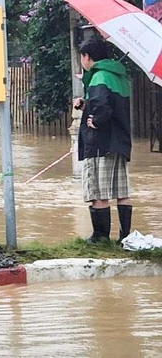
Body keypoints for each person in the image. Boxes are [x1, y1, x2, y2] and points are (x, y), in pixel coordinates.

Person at [74, 35, 133, 243]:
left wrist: (95, 121)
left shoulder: (99, 77)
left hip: (100, 143)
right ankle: (125, 237)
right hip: (120, 141)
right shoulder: (119, 76)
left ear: (86, 56)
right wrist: (85, 104)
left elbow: (102, 107)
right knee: (121, 190)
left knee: (98, 191)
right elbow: (112, 105)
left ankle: (100, 236)